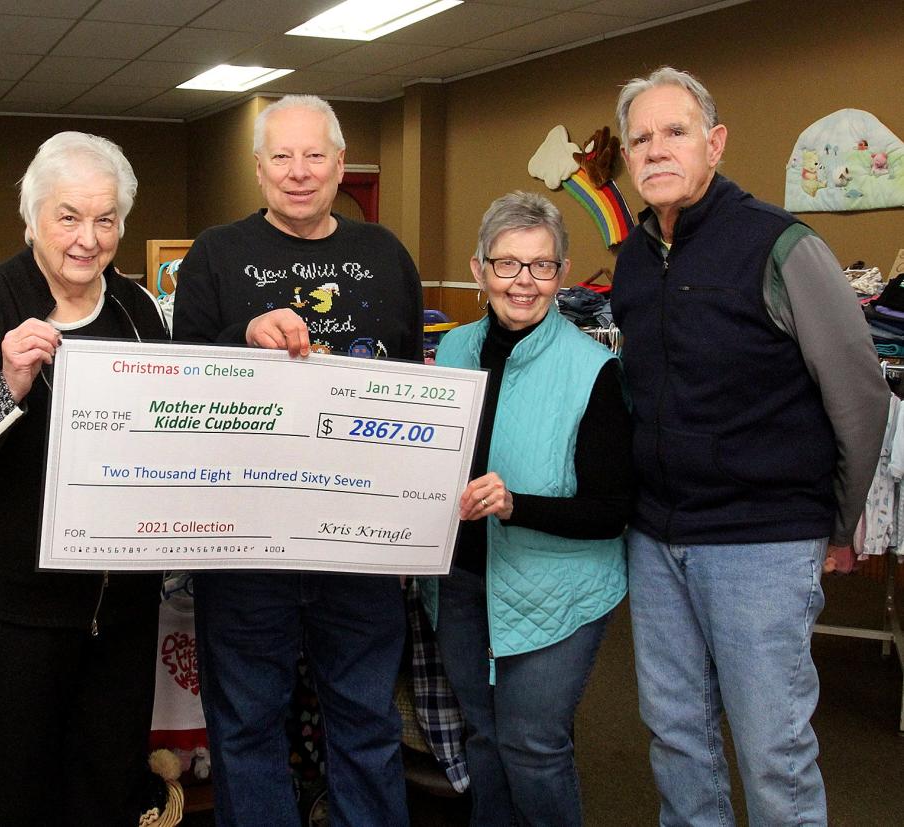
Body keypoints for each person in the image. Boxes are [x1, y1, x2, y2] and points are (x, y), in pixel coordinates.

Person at [611, 67, 889, 826]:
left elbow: (861, 397)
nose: (657, 149)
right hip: (658, 537)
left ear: (715, 141)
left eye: (676, 131)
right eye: (641, 137)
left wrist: (837, 520)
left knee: (772, 750)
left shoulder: (781, 245)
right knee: (676, 739)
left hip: (762, 540)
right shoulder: (632, 258)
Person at [0, 132, 170, 826]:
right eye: (68, 216)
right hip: (4, 624)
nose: (88, 237)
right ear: (31, 220)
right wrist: (6, 385)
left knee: (108, 801)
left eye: (106, 219)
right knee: (13, 806)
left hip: (117, 624)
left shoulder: (139, 313)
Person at [172, 94, 421, 827]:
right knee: (246, 726)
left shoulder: (386, 255)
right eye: (281, 155)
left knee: (368, 721)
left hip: (359, 545)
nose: (299, 171)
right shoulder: (215, 254)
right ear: (257, 168)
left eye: (316, 155)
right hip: (247, 543)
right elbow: (181, 383)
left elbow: (413, 393)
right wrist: (242, 334)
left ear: (342, 164)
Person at [418, 191, 633, 826]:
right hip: (461, 583)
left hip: (557, 589)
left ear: (563, 274)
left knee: (532, 745)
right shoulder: (452, 351)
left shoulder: (596, 370)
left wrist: (516, 505)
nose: (523, 282)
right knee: (481, 735)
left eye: (541, 266)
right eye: (507, 264)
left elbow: (612, 510)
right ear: (479, 269)